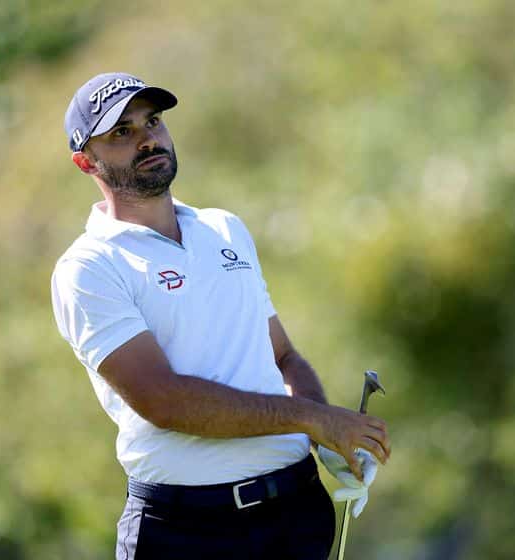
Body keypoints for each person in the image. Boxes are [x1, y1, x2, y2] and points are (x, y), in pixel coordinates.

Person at [51, 72, 391, 560]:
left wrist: (328, 444)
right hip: (185, 530)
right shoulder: (88, 267)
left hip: (295, 512)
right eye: (121, 132)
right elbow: (162, 401)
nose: (147, 138)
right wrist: (316, 420)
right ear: (87, 161)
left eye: (153, 121)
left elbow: (284, 357)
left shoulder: (225, 229)